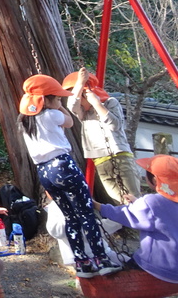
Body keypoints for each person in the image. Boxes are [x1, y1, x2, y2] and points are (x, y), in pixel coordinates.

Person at [19, 73, 121, 278]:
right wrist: (58, 106)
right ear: (45, 100)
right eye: (56, 97)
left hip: (45, 172)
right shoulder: (51, 115)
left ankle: (82, 262)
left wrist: (47, 102)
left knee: (70, 217)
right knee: (86, 213)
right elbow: (69, 122)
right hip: (63, 165)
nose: (59, 100)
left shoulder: (25, 122)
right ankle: (101, 259)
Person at [63, 67, 143, 204]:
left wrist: (96, 104)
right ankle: (126, 223)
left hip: (121, 156)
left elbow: (114, 125)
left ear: (86, 93)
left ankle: (141, 224)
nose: (77, 101)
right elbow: (72, 105)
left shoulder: (110, 102)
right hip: (101, 162)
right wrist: (80, 83)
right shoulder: (83, 113)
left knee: (134, 199)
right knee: (118, 201)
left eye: (78, 95)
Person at [93, 155, 178, 285]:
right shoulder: (154, 204)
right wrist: (138, 202)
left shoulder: (151, 202)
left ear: (155, 180)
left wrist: (98, 206)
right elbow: (161, 214)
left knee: (116, 266)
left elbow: (125, 214)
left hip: (156, 267)